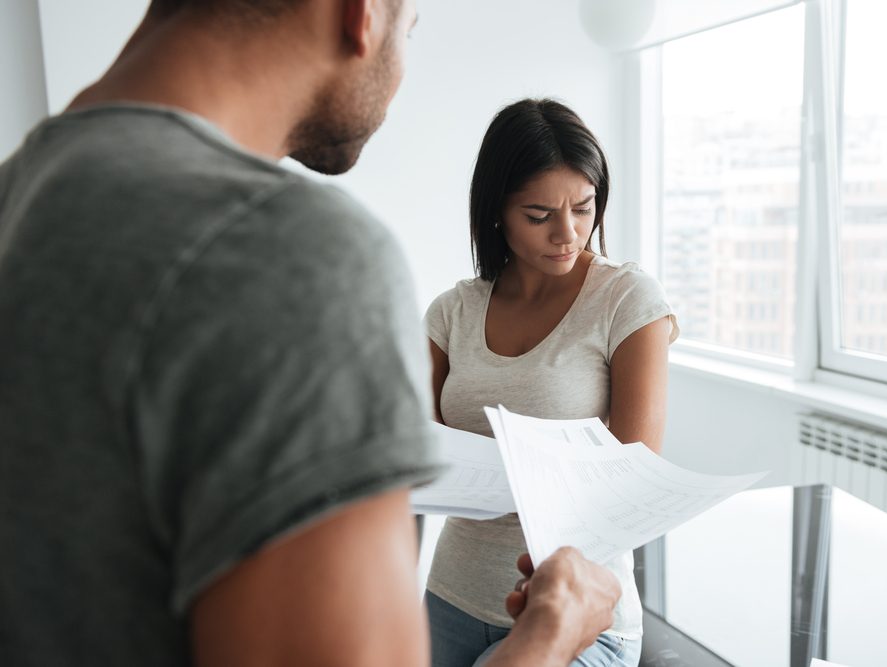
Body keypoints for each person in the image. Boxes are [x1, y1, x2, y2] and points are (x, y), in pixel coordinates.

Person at [0, 2, 620, 666]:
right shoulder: (288, 252)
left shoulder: (20, 194)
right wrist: (552, 627)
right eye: (408, 27)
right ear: (362, 15)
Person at [424, 98, 680, 667]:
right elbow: (415, 453)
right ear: (497, 212)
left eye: (584, 207)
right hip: (452, 597)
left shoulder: (626, 299)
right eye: (538, 216)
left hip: (582, 613)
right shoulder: (451, 312)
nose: (568, 234)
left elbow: (631, 477)